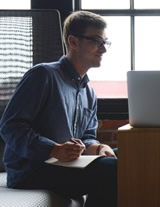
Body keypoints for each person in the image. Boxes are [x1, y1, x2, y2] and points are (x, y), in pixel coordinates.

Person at [0, 11, 117, 207]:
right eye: (97, 41)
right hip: (32, 169)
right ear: (73, 41)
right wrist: (53, 149)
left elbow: (86, 136)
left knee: (128, 157)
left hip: (66, 165)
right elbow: (10, 126)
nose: (103, 49)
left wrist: (96, 147)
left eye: (105, 42)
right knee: (113, 169)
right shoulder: (43, 75)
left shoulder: (88, 92)